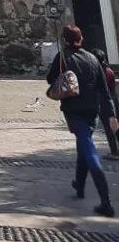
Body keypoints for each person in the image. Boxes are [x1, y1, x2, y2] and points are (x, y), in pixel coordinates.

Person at [46, 25, 118, 217]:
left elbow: (49, 79)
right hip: (93, 111)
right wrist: (111, 115)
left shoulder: (63, 57)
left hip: (73, 110)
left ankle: (106, 201)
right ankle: (79, 185)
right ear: (81, 38)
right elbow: (104, 90)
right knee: (83, 146)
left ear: (65, 39)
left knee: (89, 150)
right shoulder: (93, 58)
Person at [92, 48, 119, 159]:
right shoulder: (109, 70)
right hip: (113, 99)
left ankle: (114, 152)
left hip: (105, 101)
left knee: (109, 128)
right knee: (115, 126)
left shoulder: (99, 72)